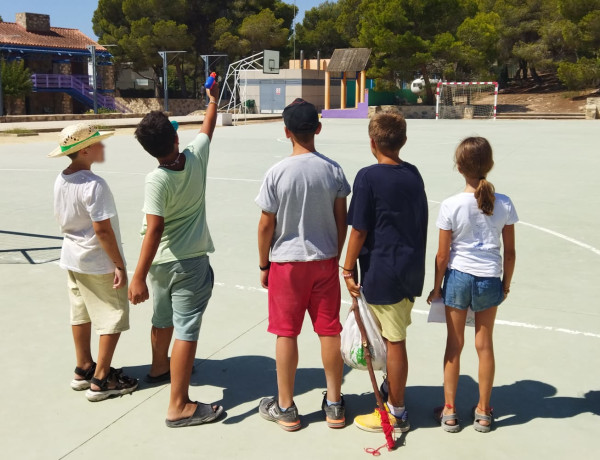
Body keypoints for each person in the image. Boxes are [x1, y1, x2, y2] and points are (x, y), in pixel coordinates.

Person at [128, 83, 223, 428]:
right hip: (190, 262)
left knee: (162, 317)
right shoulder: (195, 157)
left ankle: (159, 368)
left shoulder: (156, 178)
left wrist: (142, 273)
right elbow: (208, 126)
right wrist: (211, 100)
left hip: (161, 265)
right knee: (187, 330)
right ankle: (179, 405)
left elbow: (154, 231)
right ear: (175, 137)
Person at [256, 98, 351, 431]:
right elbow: (343, 220)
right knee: (329, 331)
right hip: (324, 260)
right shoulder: (334, 170)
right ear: (318, 129)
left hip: (287, 263)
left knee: (286, 333)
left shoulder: (277, 172)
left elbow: (266, 224)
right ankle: (335, 403)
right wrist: (337, 255)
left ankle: (285, 406)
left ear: (286, 132)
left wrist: (263, 263)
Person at [342, 112, 428, 433]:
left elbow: (359, 230)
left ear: (372, 142)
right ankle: (394, 393)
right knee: (395, 335)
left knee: (394, 341)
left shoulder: (368, 177)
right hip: (408, 270)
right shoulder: (413, 174)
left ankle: (396, 411)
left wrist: (347, 267)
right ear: (403, 141)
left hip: (384, 271)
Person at [427, 137, 517, 433]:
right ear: (489, 165)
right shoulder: (503, 203)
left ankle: (450, 411)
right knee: (484, 345)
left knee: (454, 344)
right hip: (489, 277)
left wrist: (437, 288)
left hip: (459, 278)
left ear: (459, 167)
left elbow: (442, 255)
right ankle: (483, 411)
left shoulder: (451, 204)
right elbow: (510, 251)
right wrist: (505, 284)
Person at [50, 123, 138, 402]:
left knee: (81, 312)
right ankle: (101, 379)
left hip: (72, 257)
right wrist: (119, 264)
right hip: (96, 260)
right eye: (98, 143)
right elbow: (102, 229)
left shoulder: (62, 178)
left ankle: (83, 367)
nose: (103, 147)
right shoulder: (94, 185)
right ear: (85, 150)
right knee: (112, 314)